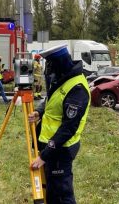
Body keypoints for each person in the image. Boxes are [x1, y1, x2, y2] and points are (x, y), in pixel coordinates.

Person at [28, 44, 90, 203]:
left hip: (60, 149)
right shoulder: (64, 78)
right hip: (52, 146)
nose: (48, 69)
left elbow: (68, 127)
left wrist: (45, 155)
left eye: (50, 64)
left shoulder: (77, 88)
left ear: (60, 63)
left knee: (61, 195)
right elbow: (52, 99)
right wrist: (39, 112)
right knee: (53, 192)